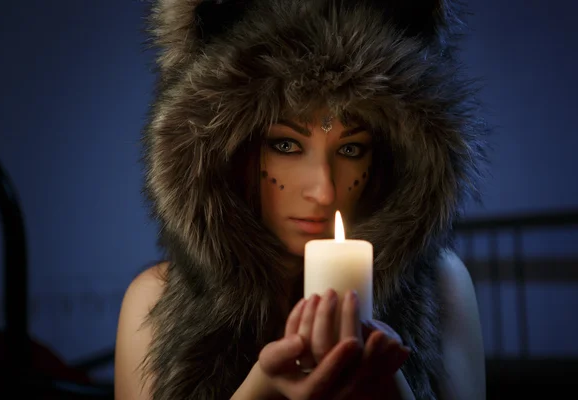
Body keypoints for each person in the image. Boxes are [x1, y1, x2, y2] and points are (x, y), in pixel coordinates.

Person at [114, 0, 488, 399]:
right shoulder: (152, 299)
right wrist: (262, 388)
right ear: (231, 155)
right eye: (286, 145)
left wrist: (390, 389)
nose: (324, 190)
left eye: (350, 150)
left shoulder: (442, 285)